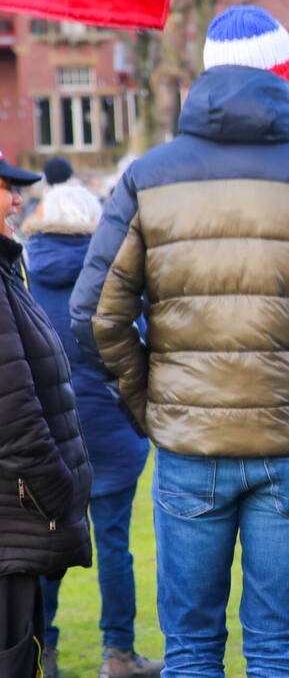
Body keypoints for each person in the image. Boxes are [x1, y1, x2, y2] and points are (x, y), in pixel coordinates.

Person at [69, 6, 289, 674]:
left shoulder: (147, 176)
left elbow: (95, 316)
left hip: (192, 445)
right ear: (286, 77)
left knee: (191, 650)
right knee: (278, 648)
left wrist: (152, 406)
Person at [23, 178, 161, 677]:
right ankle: (118, 653)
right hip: (111, 432)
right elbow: (138, 349)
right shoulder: (111, 274)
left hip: (45, 439)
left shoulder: (19, 276)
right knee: (115, 545)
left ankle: (46, 648)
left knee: (45, 548)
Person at [0, 155, 92, 677]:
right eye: (7, 188)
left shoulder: (10, 270)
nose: (19, 200)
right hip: (13, 521)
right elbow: (13, 412)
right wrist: (57, 494)